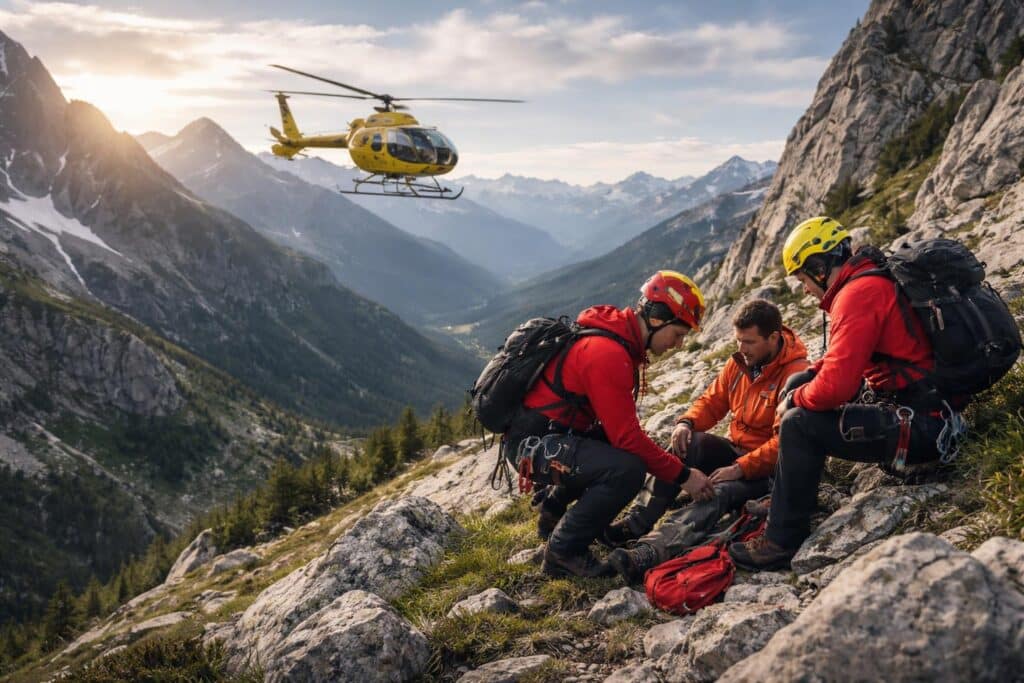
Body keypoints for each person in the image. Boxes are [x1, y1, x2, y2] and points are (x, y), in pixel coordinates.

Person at [728, 216, 945, 570]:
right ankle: (789, 496)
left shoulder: (856, 295)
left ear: (818, 266)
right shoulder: (867, 281)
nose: (802, 288)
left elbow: (836, 389)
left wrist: (793, 400)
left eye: (801, 278)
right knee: (798, 386)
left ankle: (781, 541)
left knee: (799, 421)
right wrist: (801, 383)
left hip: (925, 429)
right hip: (925, 412)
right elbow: (837, 362)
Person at [507, 270, 711, 578]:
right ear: (657, 319)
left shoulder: (617, 340)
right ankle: (564, 551)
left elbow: (618, 432)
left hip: (541, 439)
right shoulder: (609, 353)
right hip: (533, 447)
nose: (679, 344)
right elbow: (629, 439)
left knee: (613, 447)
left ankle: (552, 514)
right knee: (627, 469)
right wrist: (684, 476)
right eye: (679, 334)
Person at [604, 299, 810, 583]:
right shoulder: (740, 363)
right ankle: (635, 523)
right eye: (738, 340)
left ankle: (650, 551)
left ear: (773, 338)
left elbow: (785, 444)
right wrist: (686, 423)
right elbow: (713, 401)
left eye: (749, 342)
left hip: (771, 472)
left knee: (719, 490)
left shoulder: (796, 375)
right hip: (738, 453)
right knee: (688, 444)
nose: (741, 349)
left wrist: (739, 468)